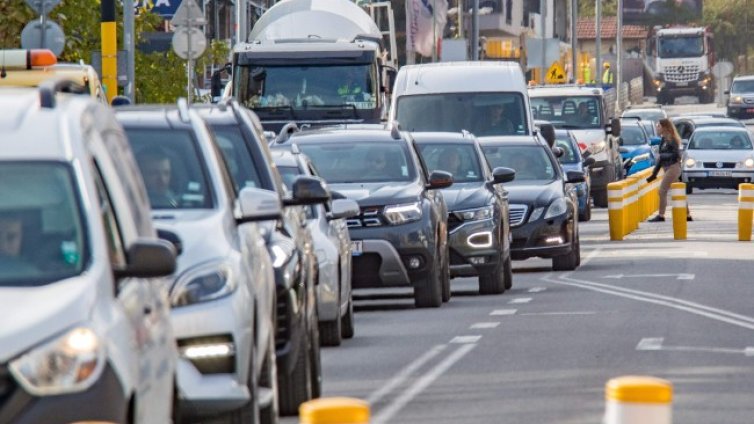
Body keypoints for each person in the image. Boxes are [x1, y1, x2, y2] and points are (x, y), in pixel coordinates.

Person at [647, 118, 692, 222]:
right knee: (678, 191)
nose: (657, 128)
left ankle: (661, 215)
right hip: (667, 168)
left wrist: (662, 156)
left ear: (665, 127)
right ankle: (687, 215)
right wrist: (654, 174)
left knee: (662, 191)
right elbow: (660, 160)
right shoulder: (663, 140)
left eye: (659, 126)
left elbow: (677, 155)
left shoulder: (672, 139)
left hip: (673, 167)